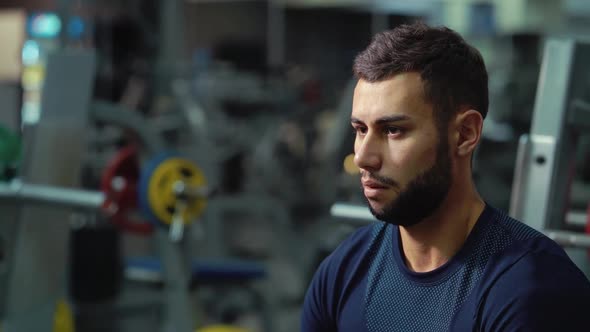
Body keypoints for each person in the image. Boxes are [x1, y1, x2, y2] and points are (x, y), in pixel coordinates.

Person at [301, 22, 590, 332]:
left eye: (393, 130)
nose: (363, 156)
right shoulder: (345, 270)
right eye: (361, 129)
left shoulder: (532, 288)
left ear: (465, 134)